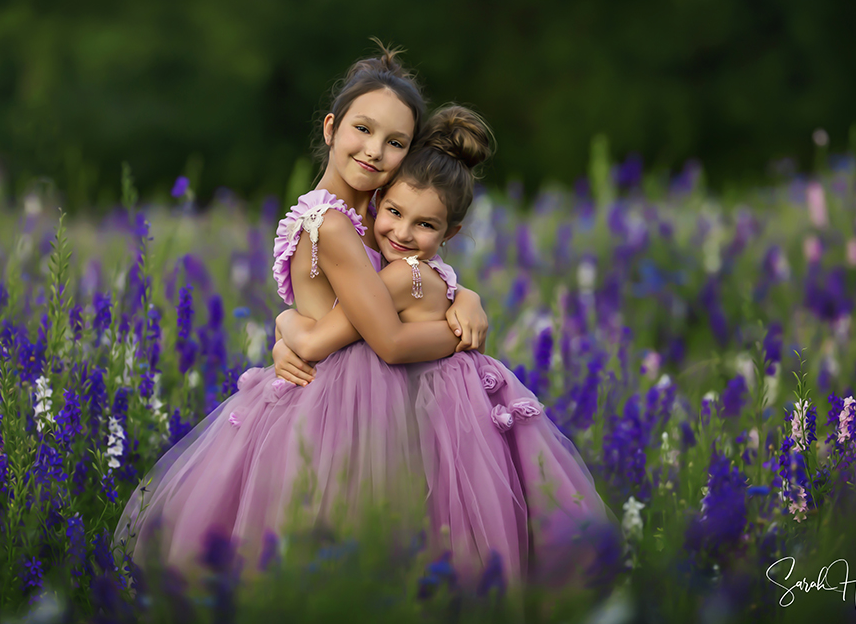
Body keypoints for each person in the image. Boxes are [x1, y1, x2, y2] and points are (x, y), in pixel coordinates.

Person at [114, 42, 490, 576]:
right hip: (343, 401)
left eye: (395, 141)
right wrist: (462, 330)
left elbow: (404, 284)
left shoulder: (377, 216)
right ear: (331, 128)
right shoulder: (331, 224)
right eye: (363, 129)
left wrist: (461, 295)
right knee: (341, 549)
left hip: (369, 391)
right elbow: (386, 334)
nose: (375, 150)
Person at [275, 105, 616, 588]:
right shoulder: (424, 272)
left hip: (432, 411)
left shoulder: (399, 274)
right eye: (393, 212)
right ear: (375, 204)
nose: (403, 233)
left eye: (426, 225)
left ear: (450, 233)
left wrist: (283, 321)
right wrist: (465, 307)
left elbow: (319, 338)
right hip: (435, 404)